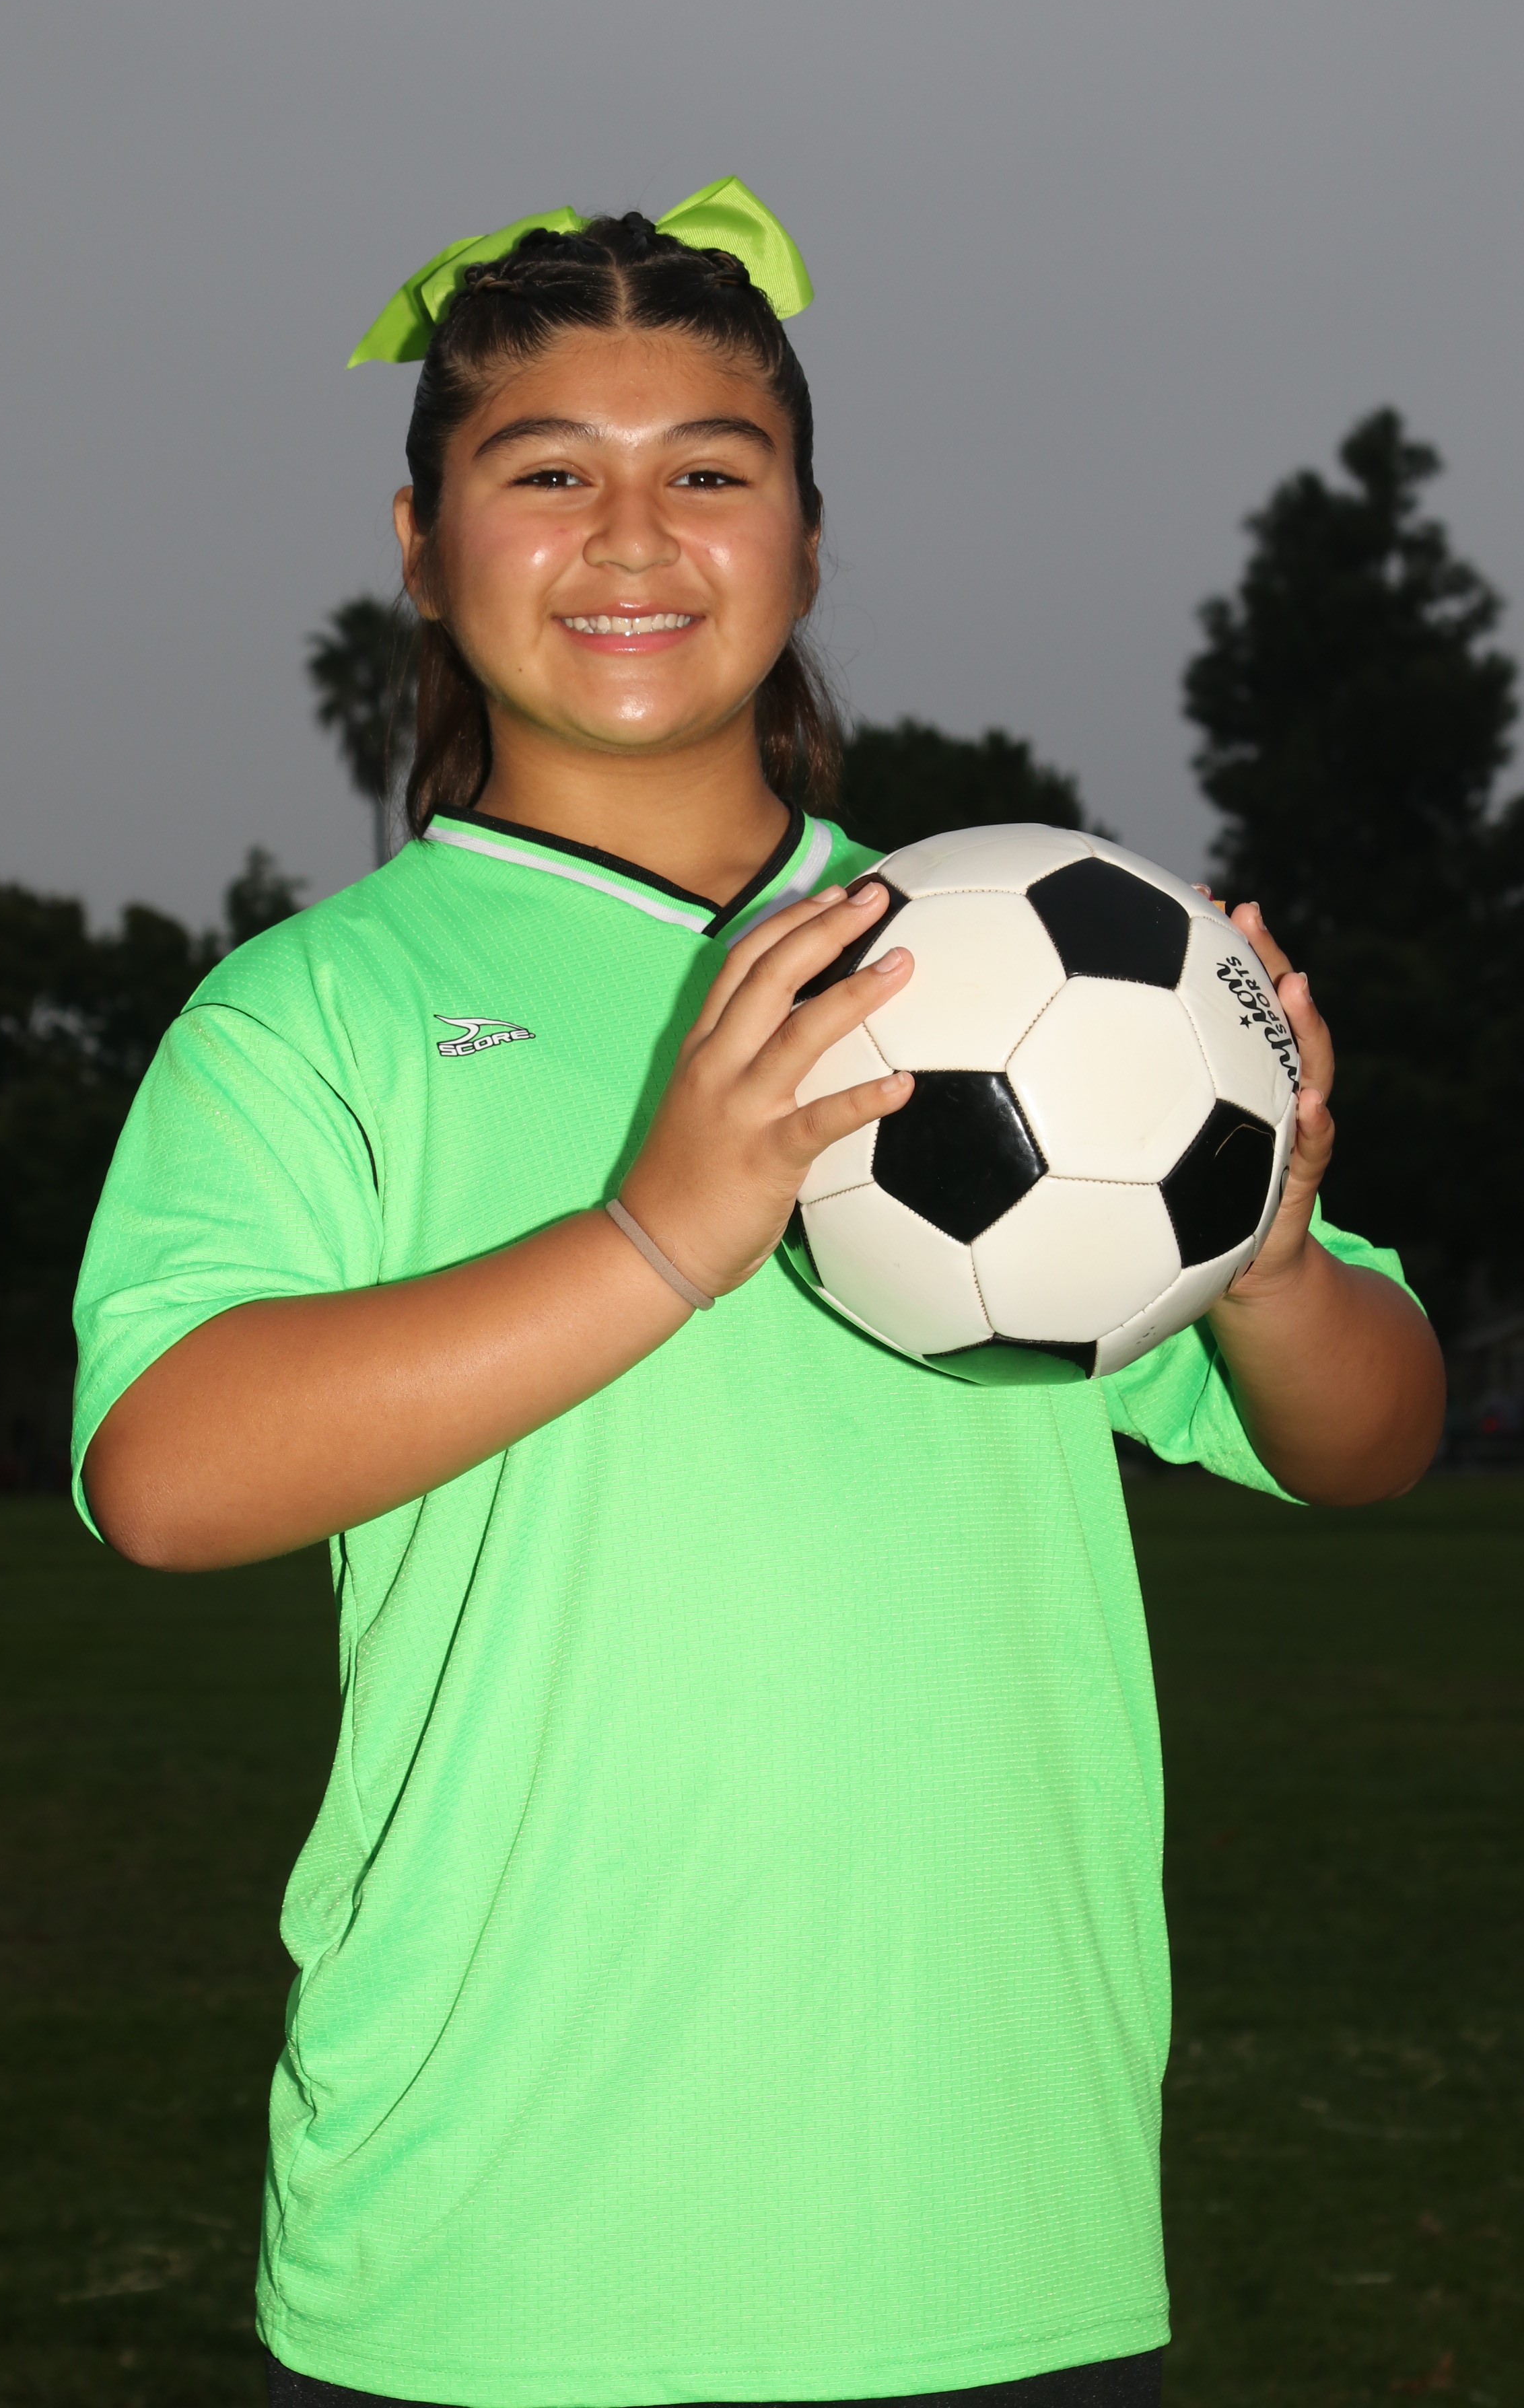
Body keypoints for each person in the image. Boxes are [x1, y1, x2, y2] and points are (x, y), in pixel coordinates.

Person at [72, 184, 1445, 2408]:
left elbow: (1373, 1439)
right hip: (494, 2252)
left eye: (710, 470)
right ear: (420, 543)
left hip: (991, 2226)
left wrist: (1269, 1253)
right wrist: (660, 1236)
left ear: (807, 540)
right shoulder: (310, 1014)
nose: (632, 535)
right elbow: (166, 1475)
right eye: (547, 471)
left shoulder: (1013, 956)